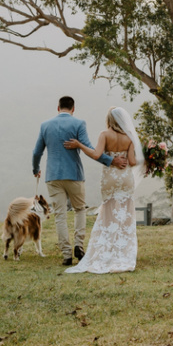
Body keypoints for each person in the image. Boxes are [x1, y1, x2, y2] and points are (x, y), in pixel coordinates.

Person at [32, 96, 128, 266]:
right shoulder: (78, 124)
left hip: (53, 176)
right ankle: (79, 245)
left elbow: (36, 152)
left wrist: (35, 169)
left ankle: (66, 254)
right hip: (74, 174)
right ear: (73, 108)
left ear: (58, 107)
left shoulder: (45, 125)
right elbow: (90, 149)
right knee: (79, 210)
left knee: (60, 215)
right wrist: (111, 161)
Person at [63, 106, 144, 274]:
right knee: (125, 214)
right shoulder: (129, 138)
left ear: (109, 120)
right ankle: (123, 251)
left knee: (108, 213)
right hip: (126, 178)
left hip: (110, 178)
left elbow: (96, 154)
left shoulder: (104, 135)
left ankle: (107, 249)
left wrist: (79, 145)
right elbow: (133, 162)